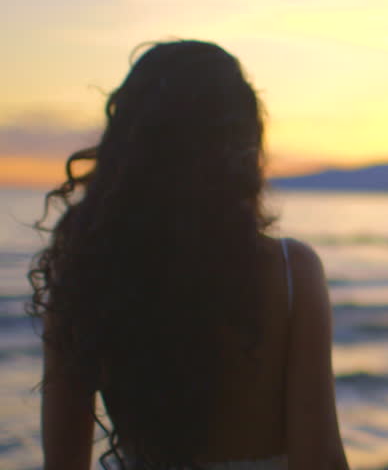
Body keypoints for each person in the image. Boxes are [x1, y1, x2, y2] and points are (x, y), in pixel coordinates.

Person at [27, 40, 350, 470]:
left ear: (128, 145)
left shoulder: (86, 273)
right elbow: (321, 461)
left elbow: (63, 465)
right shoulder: (292, 274)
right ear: (242, 146)